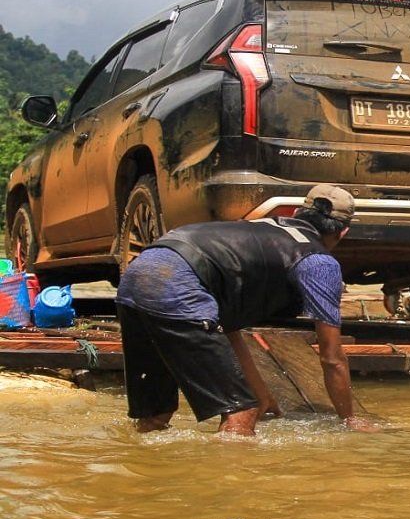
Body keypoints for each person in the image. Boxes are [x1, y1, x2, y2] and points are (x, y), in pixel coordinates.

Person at [116, 184, 375, 436]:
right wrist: (348, 419)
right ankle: (231, 478)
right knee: (241, 414)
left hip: (137, 276)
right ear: (343, 232)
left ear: (296, 213)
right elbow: (331, 358)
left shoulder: (257, 230)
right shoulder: (319, 262)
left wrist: (262, 397)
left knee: (155, 417)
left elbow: (228, 328)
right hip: (179, 283)